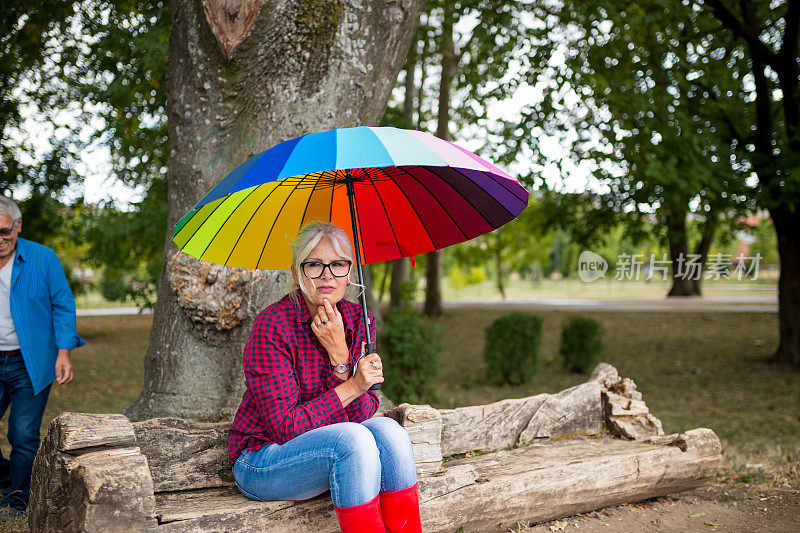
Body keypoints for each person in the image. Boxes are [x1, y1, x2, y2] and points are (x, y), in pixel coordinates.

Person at [227, 221, 422, 532]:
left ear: (350, 272)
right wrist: (355, 384)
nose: (328, 275)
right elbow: (284, 428)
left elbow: (362, 411)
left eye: (338, 264)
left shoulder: (361, 320)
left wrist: (340, 354)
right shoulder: (273, 326)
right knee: (354, 439)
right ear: (296, 273)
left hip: (336, 445)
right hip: (263, 459)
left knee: (390, 432)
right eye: (314, 265)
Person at [0, 196, 84, 516]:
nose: (0, 240)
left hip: (29, 360)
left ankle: (19, 499)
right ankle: (11, 477)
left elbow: (63, 304)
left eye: (4, 231)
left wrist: (64, 352)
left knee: (22, 433)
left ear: (18, 226)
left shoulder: (43, 258)